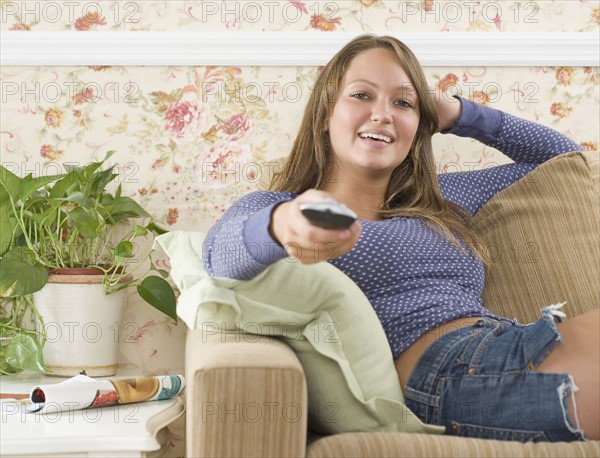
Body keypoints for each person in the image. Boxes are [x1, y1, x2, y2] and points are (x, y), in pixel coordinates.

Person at [203, 34, 599, 442]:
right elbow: (219, 255)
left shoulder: (445, 199)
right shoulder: (281, 205)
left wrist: (456, 114)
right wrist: (284, 224)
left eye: (403, 103)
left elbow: (561, 164)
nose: (382, 114)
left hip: (512, 341)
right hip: (447, 374)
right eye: (361, 95)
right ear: (325, 115)